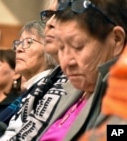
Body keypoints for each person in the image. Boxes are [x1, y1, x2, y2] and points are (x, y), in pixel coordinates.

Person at [39, 0, 127, 140]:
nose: (66, 62)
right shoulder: (73, 87)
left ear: (116, 39)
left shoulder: (121, 90)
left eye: (77, 46)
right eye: (61, 47)